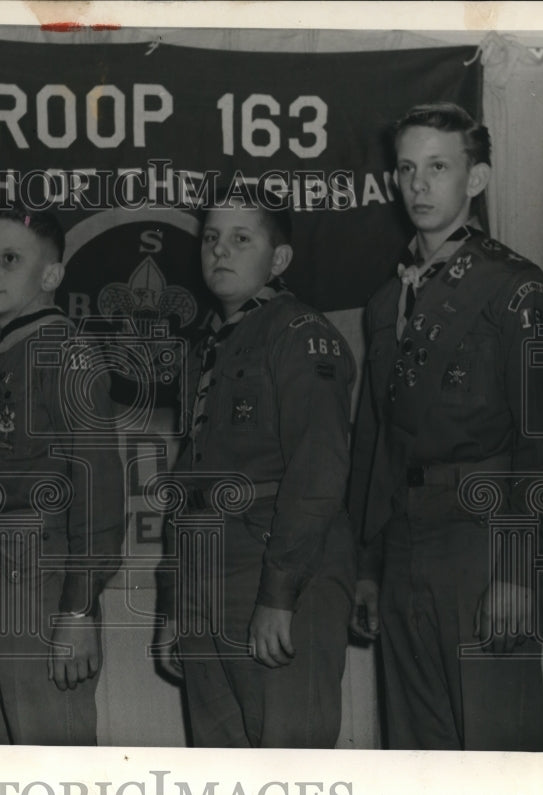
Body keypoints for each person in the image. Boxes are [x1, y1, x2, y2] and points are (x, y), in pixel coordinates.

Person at [347, 102, 543, 750]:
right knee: (418, 755)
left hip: (483, 536)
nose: (418, 184)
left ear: (475, 180)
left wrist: (517, 567)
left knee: (498, 750)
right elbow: (376, 442)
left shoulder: (514, 287)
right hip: (406, 542)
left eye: (438, 167)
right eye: (407, 168)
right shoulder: (388, 302)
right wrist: (368, 563)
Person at [155, 185, 357, 747]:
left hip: (275, 569)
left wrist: (279, 594)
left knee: (287, 762)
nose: (220, 251)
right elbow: (188, 480)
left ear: (280, 258)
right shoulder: (207, 347)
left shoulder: (300, 335)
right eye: (212, 238)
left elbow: (318, 476)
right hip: (208, 577)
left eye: (242, 238)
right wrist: (176, 604)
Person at [0, 207, 124, 745]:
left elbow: (98, 491)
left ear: (51, 276)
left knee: (50, 751)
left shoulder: (63, 354)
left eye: (9, 259)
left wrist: (77, 608)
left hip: (35, 573)